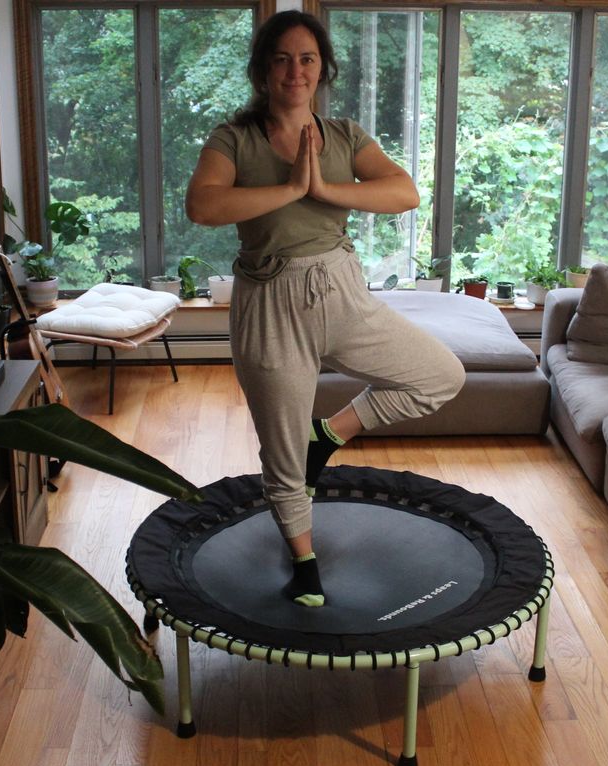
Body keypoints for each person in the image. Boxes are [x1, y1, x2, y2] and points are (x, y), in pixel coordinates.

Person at [185, 10, 464, 608]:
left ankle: (329, 435)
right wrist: (288, 187)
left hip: (340, 289)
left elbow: (403, 191)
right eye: (282, 58)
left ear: (322, 68)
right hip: (269, 301)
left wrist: (322, 189)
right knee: (281, 454)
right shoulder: (234, 137)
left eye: (307, 59)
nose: (295, 70)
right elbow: (203, 206)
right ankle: (304, 563)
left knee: (441, 375)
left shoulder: (343, 136)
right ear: (263, 69)